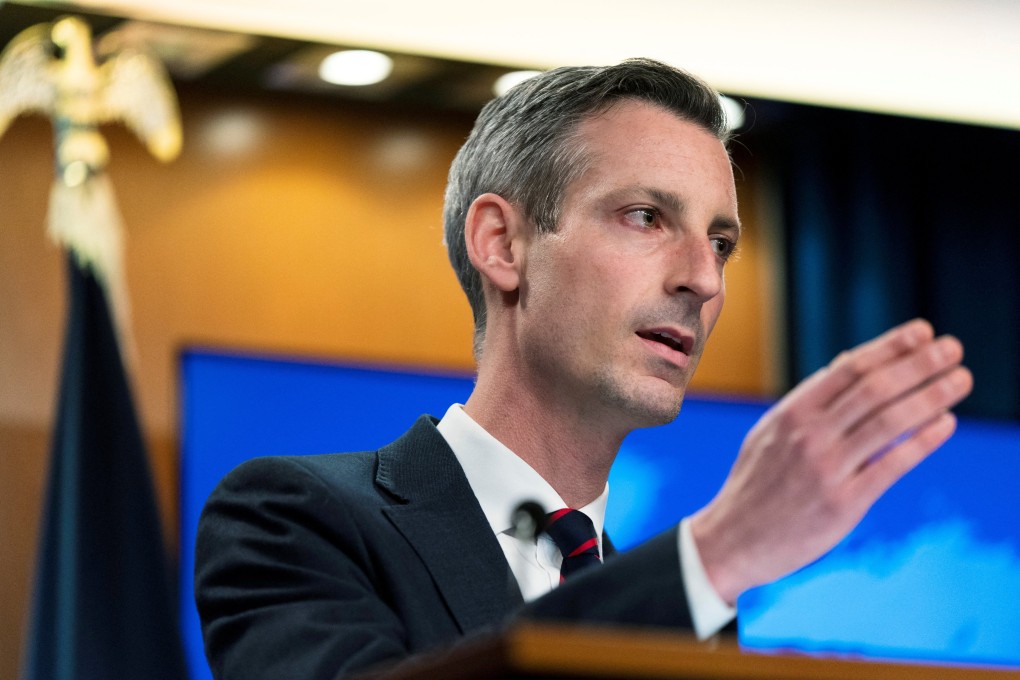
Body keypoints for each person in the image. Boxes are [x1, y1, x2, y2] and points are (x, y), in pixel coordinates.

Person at [194, 59, 972, 680]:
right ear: (502, 244)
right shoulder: (294, 518)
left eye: (722, 243)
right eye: (646, 217)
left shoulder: (688, 617)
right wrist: (715, 556)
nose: (704, 278)